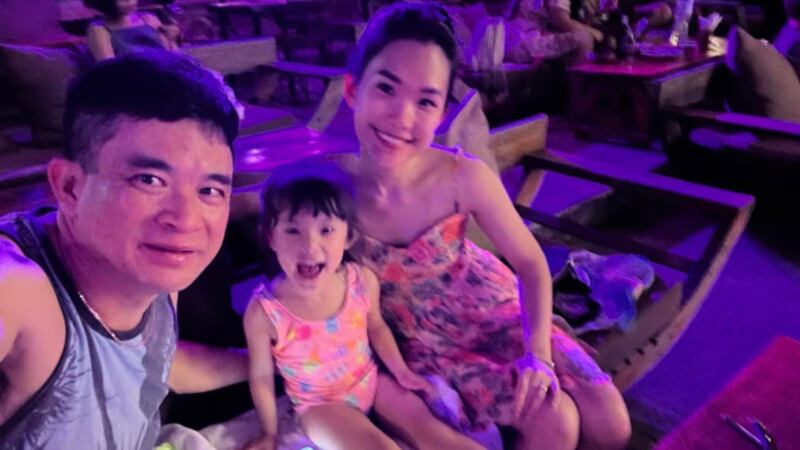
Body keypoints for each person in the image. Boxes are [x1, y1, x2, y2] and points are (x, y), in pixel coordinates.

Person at [334, 3, 632, 449]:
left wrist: (539, 356)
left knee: (612, 424)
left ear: (441, 114)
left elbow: (530, 262)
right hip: (423, 339)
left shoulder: (462, 175)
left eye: (425, 101)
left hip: (494, 306)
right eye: (386, 88)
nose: (402, 116)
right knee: (556, 422)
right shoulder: (331, 190)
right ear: (352, 89)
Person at [0, 51, 248, 449]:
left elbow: (154, 363)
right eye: (148, 180)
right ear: (70, 187)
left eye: (209, 190)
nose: (185, 219)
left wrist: (270, 361)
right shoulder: (19, 289)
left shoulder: (157, 267)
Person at [242, 165, 484, 450]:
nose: (309, 246)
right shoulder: (264, 312)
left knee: (435, 434)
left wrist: (401, 372)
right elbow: (261, 376)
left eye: (326, 230)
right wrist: (268, 433)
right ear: (271, 237)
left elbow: (376, 327)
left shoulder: (360, 281)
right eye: (293, 230)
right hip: (319, 407)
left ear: (348, 237)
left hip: (371, 382)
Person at [84, 0, 180, 61]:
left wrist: (171, 40)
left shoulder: (148, 18)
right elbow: (108, 66)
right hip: (131, 77)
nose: (131, 2)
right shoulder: (99, 28)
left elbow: (171, 53)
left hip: (164, 72)